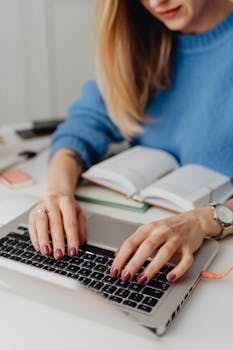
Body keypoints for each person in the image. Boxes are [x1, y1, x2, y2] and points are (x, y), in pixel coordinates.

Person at [29, 0, 233, 285]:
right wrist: (57, 194)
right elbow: (83, 125)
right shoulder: (144, 37)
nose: (156, 2)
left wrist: (202, 221)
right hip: (147, 237)